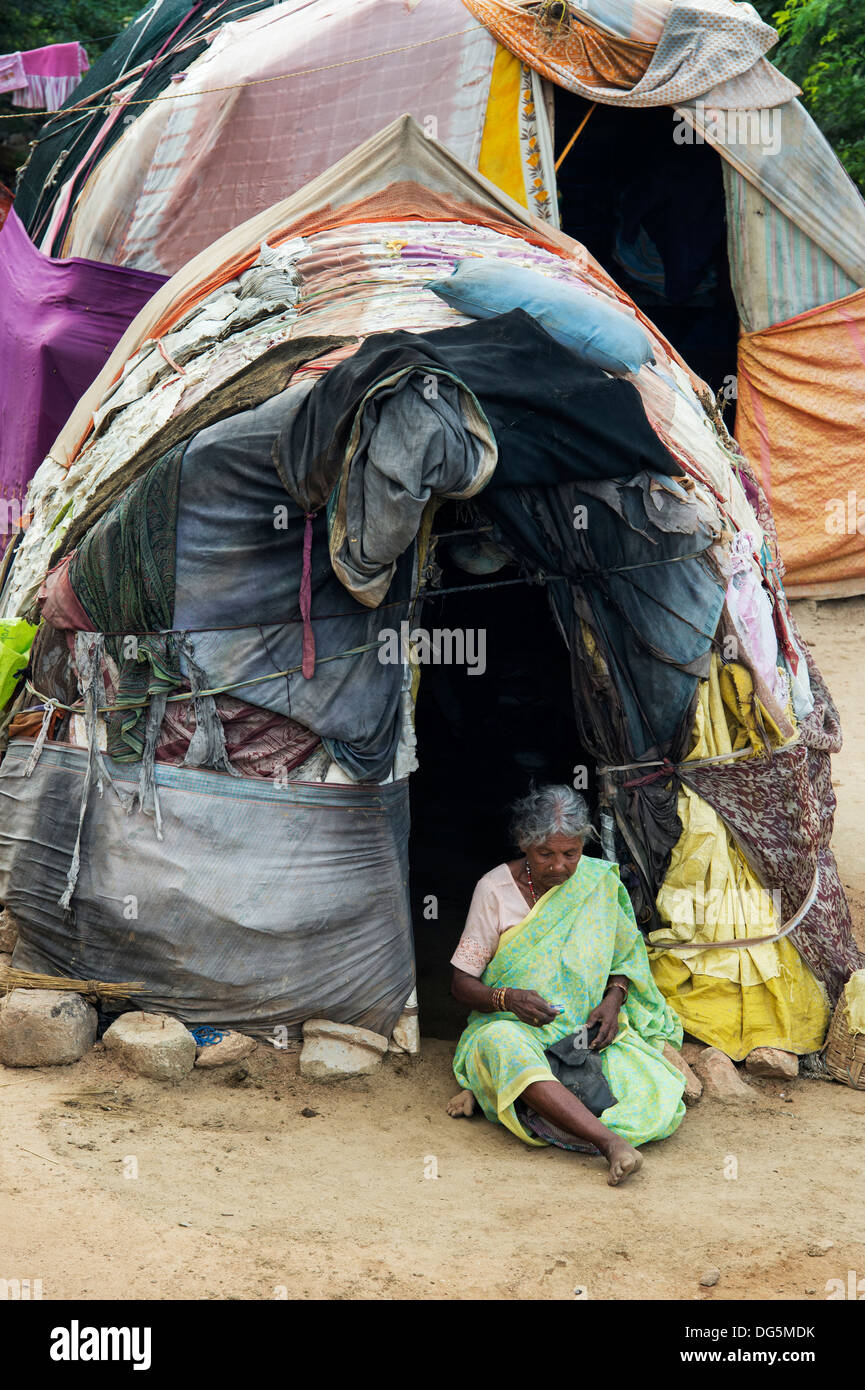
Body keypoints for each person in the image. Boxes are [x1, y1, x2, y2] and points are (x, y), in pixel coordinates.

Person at [447, 785, 686, 1185]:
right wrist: (507, 998)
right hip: (513, 1026)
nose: (559, 866)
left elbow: (625, 957)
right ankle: (610, 1144)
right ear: (525, 845)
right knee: (500, 1046)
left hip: (582, 1033)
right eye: (545, 854)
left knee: (649, 1097)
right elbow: (460, 984)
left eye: (570, 854)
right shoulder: (495, 890)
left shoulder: (597, 882)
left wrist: (613, 1001)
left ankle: (496, 1092)